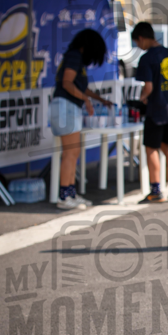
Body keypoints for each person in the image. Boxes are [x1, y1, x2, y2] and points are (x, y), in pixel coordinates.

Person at [50, 28, 113, 210]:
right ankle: (64, 195)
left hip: (69, 108)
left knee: (74, 152)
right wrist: (86, 100)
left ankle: (71, 193)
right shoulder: (74, 56)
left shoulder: (76, 59)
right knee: (70, 153)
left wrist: (99, 99)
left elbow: (80, 87)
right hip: (65, 108)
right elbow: (67, 83)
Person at [132, 22, 168, 203]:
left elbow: (148, 87)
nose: (138, 47)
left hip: (156, 109)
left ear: (141, 38)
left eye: (137, 43)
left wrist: (142, 98)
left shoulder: (147, 58)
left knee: (151, 148)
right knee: (167, 144)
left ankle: (155, 190)